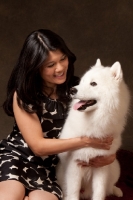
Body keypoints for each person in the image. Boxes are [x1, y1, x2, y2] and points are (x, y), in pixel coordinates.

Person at [0, 29, 115, 200]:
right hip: (17, 157)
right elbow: (38, 146)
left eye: (62, 59)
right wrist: (85, 142)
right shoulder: (25, 93)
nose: (60, 68)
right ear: (35, 67)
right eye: (50, 65)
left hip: (51, 168)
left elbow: (102, 125)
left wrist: (109, 156)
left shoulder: (79, 88)